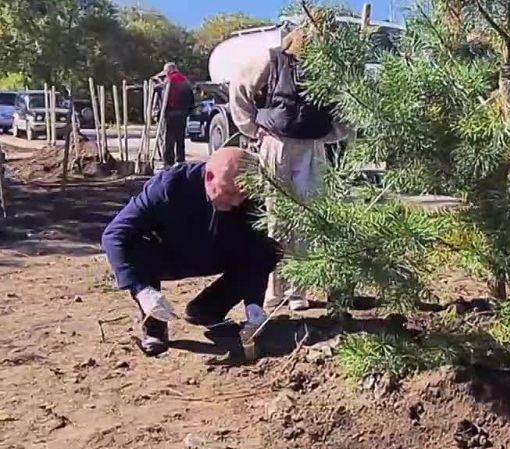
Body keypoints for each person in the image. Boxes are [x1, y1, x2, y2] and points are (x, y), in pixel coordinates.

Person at [101, 148, 281, 356]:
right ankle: (155, 325)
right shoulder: (170, 186)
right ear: (210, 176)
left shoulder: (247, 196)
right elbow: (114, 235)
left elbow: (255, 246)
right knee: (136, 245)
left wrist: (253, 305)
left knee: (268, 249)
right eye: (230, 192)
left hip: (220, 253)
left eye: (242, 195)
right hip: (169, 254)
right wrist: (142, 290)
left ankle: (207, 310)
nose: (236, 202)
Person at [229, 26, 350, 312]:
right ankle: (274, 289)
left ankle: (298, 291)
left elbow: (346, 106)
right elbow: (240, 88)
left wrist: (329, 135)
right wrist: (252, 128)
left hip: (311, 148)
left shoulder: (330, 68)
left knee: (307, 217)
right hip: (276, 144)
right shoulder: (273, 59)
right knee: (277, 217)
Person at [155, 62, 195, 169]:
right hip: (182, 113)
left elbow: (163, 99)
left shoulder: (167, 81)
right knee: (180, 138)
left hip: (169, 113)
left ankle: (168, 161)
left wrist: (158, 113)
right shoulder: (185, 81)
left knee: (168, 138)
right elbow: (191, 98)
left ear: (168, 71)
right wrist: (188, 111)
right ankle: (180, 159)